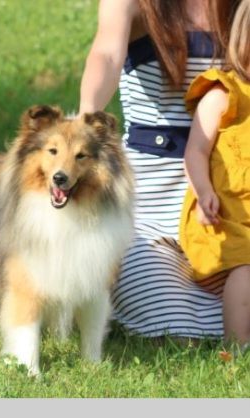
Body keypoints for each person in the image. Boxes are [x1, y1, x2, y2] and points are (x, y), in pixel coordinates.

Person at [79, 0, 240, 340]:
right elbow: (107, 53)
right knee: (170, 318)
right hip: (149, 201)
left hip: (231, 197)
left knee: (239, 296)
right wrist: (86, 116)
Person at [179, 0, 250, 347]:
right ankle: (237, 345)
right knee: (247, 267)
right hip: (225, 218)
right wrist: (204, 190)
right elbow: (195, 151)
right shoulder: (224, 93)